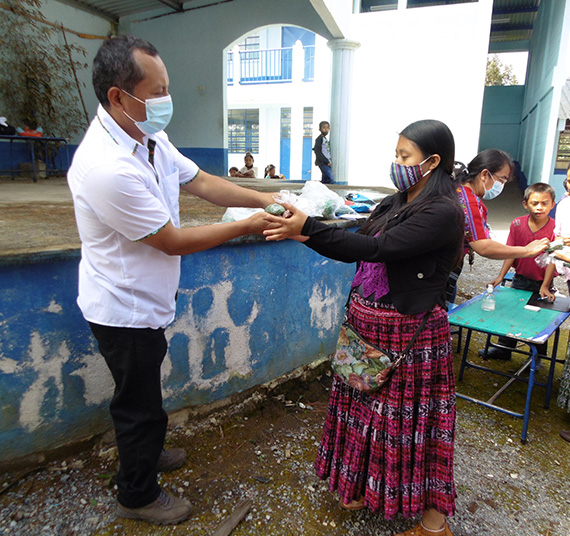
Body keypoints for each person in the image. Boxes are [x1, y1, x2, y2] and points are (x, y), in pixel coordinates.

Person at [67, 35, 276, 526]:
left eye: (167, 88)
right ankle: (136, 494)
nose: (165, 101)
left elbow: (200, 181)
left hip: (148, 298)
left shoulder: (146, 136)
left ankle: (145, 451)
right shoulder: (106, 166)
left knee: (142, 395)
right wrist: (248, 226)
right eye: (155, 91)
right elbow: (172, 240)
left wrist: (260, 199)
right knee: (138, 404)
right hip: (124, 306)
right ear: (118, 96)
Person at [265, 119, 464, 536]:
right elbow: (361, 236)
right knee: (362, 414)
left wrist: (307, 229)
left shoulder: (443, 212)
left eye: (404, 156)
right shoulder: (396, 202)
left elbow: (377, 248)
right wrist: (312, 229)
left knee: (411, 425)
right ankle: (365, 489)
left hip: (410, 339)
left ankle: (434, 523)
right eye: (396, 154)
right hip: (366, 330)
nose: (397, 163)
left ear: (433, 162)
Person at [446, 149, 549, 306]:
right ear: (485, 174)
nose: (502, 186)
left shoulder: (457, 189)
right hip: (442, 268)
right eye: (502, 179)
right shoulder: (468, 201)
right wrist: (527, 251)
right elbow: (484, 247)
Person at [478, 183, 557, 361]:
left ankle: (536, 358)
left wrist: (545, 285)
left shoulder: (555, 228)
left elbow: (552, 259)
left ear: (553, 204)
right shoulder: (517, 224)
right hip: (520, 279)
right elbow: (510, 252)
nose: (539, 207)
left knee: (538, 318)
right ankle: (503, 349)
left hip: (542, 283)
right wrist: (500, 276)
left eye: (545, 203)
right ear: (525, 204)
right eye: (535, 203)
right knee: (510, 314)